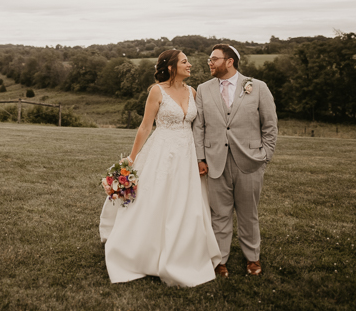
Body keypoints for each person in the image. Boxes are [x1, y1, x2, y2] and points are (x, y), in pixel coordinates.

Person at [100, 49, 222, 287]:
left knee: (186, 202)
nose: (190, 65)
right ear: (171, 67)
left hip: (188, 154)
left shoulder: (192, 91)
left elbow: (199, 128)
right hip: (163, 151)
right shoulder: (157, 91)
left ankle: (186, 250)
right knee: (155, 198)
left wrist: (201, 157)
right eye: (185, 62)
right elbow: (145, 127)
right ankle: (140, 250)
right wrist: (132, 159)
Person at [193, 44, 277, 277]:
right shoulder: (203, 89)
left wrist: (265, 156)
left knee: (248, 213)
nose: (209, 62)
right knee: (219, 214)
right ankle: (220, 260)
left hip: (250, 162)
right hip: (214, 162)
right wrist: (200, 157)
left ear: (229, 62)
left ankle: (252, 258)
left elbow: (270, 125)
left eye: (214, 59)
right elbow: (199, 127)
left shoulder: (257, 87)